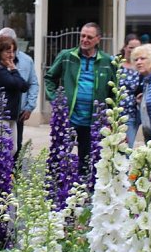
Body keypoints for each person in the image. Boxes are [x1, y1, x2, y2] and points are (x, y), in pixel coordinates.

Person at [45, 22, 117, 176]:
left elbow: (114, 92)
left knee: (87, 160)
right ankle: (56, 189)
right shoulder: (67, 56)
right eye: (82, 36)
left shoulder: (107, 61)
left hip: (93, 121)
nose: (85, 39)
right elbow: (49, 78)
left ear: (98, 39)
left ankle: (83, 193)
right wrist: (56, 100)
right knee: (60, 156)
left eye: (89, 37)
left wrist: (110, 117)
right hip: (68, 118)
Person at [0, 27, 39, 158]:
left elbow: (25, 85)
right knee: (0, 149)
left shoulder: (14, 66)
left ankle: (7, 175)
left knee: (13, 148)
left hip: (12, 114)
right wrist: (14, 70)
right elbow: (19, 85)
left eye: (13, 52)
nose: (11, 55)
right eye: (8, 52)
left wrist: (13, 69)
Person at [117, 33, 142, 145]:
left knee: (127, 148)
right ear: (125, 47)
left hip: (132, 114)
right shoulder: (116, 63)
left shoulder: (141, 66)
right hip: (115, 113)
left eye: (137, 48)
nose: (133, 51)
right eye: (131, 47)